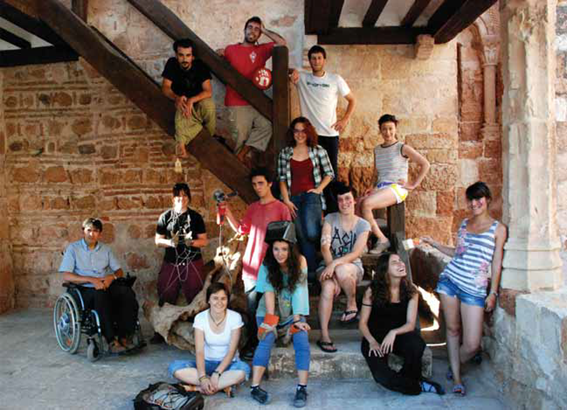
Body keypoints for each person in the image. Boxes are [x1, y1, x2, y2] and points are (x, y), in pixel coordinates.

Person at [422, 182, 507, 396]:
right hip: (451, 281)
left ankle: (455, 363)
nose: (474, 203)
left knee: (471, 344)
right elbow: (457, 253)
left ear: (487, 199)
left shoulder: (499, 229)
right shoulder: (464, 224)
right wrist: (434, 244)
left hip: (474, 289)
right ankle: (457, 377)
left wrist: (493, 292)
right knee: (452, 330)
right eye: (471, 199)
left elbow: (496, 263)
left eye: (479, 198)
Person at [222, 167, 291, 358]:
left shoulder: (282, 208)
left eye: (261, 183)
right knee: (252, 309)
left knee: (276, 307)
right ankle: (253, 344)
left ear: (270, 184)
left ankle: (272, 342)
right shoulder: (252, 208)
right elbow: (241, 230)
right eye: (254, 184)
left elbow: (287, 240)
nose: (257, 187)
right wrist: (227, 212)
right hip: (252, 265)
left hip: (273, 266)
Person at [359, 252, 444, 396]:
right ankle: (416, 384)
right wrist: (372, 342)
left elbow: (410, 324)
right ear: (385, 270)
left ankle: (409, 383)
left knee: (416, 345)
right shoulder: (372, 291)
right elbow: (362, 323)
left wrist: (393, 332)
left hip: (400, 334)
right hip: (375, 336)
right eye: (394, 262)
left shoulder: (411, 291)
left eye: (400, 260)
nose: (401, 264)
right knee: (381, 376)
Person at [250, 222, 311, 407]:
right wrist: (270, 321)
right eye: (276, 249)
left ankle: (302, 388)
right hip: (269, 310)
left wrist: (298, 320)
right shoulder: (267, 264)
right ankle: (255, 387)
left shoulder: (300, 261)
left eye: (284, 249)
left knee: (301, 338)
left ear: (291, 248)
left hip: (292, 311)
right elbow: (268, 293)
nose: (280, 253)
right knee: (266, 338)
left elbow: (300, 290)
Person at [59, 218, 139, 353]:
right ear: (83, 231)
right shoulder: (73, 249)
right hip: (83, 289)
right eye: (88, 230)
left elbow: (119, 271)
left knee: (127, 293)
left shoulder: (105, 250)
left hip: (104, 284)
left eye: (95, 231)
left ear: (100, 233)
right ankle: (111, 341)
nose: (91, 234)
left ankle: (125, 336)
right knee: (101, 296)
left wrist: (111, 277)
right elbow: (66, 276)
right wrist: (91, 280)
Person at [218, 16, 286, 165]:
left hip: (256, 102)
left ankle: (241, 155)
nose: (253, 31)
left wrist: (265, 30)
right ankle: (240, 168)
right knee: (239, 140)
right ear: (244, 29)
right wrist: (219, 53)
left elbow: (281, 43)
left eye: (257, 29)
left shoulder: (262, 50)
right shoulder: (231, 49)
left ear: (260, 34)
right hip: (235, 102)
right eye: (250, 27)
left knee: (266, 127)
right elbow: (218, 58)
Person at [359, 114, 430, 254]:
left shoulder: (402, 148)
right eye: (384, 129)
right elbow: (376, 172)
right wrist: (371, 187)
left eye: (390, 128)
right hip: (381, 187)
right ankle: (364, 242)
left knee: (366, 204)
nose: (388, 132)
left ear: (395, 128)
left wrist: (413, 185)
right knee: (359, 203)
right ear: (380, 130)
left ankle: (383, 240)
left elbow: (425, 164)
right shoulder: (377, 150)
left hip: (397, 187)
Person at [168, 282, 250, 396]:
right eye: (215, 298)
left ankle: (197, 388)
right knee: (175, 367)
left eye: (223, 298)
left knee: (243, 370)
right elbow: (199, 351)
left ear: (227, 300)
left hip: (229, 365)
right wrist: (202, 377)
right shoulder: (200, 318)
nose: (219, 302)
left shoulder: (235, 318)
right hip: (206, 364)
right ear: (208, 300)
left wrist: (217, 373)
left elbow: (231, 351)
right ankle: (220, 386)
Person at [152, 183, 209, 344]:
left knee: (196, 295)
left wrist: (192, 243)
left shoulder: (196, 217)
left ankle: (200, 329)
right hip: (172, 262)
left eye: (184, 195)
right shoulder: (165, 217)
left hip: (192, 261)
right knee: (165, 293)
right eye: (178, 195)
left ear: (188, 198)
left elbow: (203, 241)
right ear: (173, 198)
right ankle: (160, 330)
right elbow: (157, 240)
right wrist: (170, 243)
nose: (181, 199)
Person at [277, 117, 334, 276]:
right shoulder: (285, 153)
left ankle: (326, 250)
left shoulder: (318, 150)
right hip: (292, 199)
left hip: (311, 197)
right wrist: (286, 200)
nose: (300, 134)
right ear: (292, 133)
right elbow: (281, 179)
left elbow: (329, 173)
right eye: (296, 131)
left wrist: (318, 189)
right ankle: (311, 274)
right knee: (301, 236)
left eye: (303, 131)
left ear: (308, 132)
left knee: (311, 233)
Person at [317, 184, 370, 353]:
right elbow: (324, 247)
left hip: (352, 268)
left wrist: (334, 265)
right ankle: (324, 335)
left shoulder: (363, 225)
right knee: (327, 287)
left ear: (354, 200)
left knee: (341, 270)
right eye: (340, 200)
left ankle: (352, 303)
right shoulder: (330, 219)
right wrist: (331, 271)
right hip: (327, 265)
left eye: (347, 198)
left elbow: (356, 253)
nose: (344, 203)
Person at [289, 45, 356, 178]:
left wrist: (344, 120)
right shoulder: (302, 78)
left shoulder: (335, 79)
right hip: (310, 134)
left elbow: (352, 100)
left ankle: (331, 193)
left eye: (319, 58)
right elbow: (283, 70)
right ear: (309, 61)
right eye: (313, 58)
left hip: (330, 133)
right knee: (310, 172)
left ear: (324, 60)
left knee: (330, 174)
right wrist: (293, 70)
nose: (316, 61)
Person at [162, 38, 215, 158]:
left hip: (199, 106)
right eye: (181, 55)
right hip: (183, 106)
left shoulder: (200, 65)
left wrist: (192, 100)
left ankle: (209, 135)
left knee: (208, 104)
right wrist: (176, 97)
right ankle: (181, 144)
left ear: (193, 56)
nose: (184, 59)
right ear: (176, 55)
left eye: (188, 55)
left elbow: (208, 91)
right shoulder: (172, 64)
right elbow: (165, 87)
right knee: (182, 107)